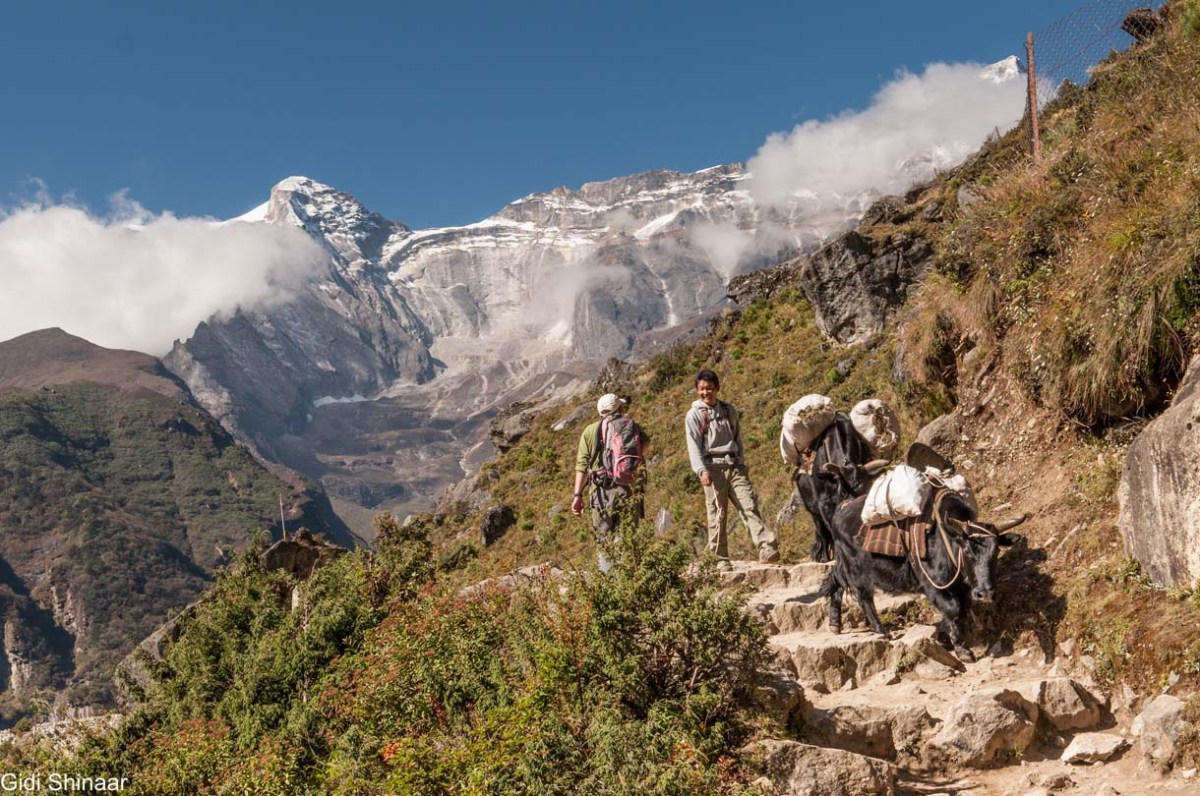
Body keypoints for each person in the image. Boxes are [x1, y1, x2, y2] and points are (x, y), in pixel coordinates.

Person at [684, 369, 778, 569]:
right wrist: (701, 470)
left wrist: (741, 464)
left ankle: (766, 547)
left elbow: (737, 438)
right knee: (717, 514)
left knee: (749, 505)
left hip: (734, 466)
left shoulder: (728, 410)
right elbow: (693, 445)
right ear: (696, 390)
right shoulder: (694, 415)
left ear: (717, 388)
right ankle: (720, 560)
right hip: (711, 468)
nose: (705, 392)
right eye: (701, 389)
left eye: (709, 388)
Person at [571, 393, 647, 572]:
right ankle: (629, 580)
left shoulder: (590, 431)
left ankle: (608, 582)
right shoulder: (630, 426)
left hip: (600, 494)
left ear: (600, 413)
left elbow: (581, 466)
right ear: (620, 408)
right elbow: (644, 448)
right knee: (627, 536)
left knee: (604, 540)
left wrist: (577, 496)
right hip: (627, 489)